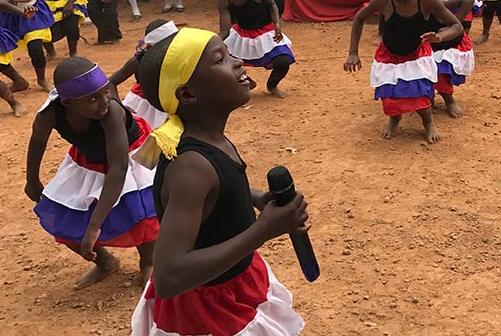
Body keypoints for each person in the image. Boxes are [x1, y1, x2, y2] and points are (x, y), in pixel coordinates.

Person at [129, 27, 307, 336]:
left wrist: (253, 198)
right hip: (207, 310)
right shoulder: (192, 167)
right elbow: (170, 276)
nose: (238, 62)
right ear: (188, 94)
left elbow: (217, 191)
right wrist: (264, 229)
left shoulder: (209, 139)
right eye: (221, 59)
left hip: (234, 283)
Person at [25, 57, 158, 289]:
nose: (104, 101)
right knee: (63, 213)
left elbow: (119, 168)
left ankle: (149, 263)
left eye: (105, 91)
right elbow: (37, 142)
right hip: (90, 158)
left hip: (133, 153)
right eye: (92, 99)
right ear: (67, 103)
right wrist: (32, 180)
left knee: (142, 212)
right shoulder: (50, 114)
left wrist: (94, 226)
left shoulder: (111, 112)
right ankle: (105, 262)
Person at [344, 0, 464, 143]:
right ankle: (394, 117)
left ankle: (428, 121)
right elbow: (359, 19)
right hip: (389, 56)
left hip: (416, 55)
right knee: (390, 96)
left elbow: (456, 26)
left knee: (419, 96)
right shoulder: (383, 0)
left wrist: (440, 37)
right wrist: (353, 52)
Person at [217, 0, 295, 98]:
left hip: (266, 31)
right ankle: (244, 80)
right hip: (242, 34)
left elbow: (272, 4)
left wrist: (277, 25)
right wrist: (210, 42)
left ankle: (272, 85)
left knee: (283, 61)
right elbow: (225, 30)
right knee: (222, 62)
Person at [108, 19, 178, 130]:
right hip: (145, 107)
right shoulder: (140, 60)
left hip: (175, 103)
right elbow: (110, 83)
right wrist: (120, 107)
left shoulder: (182, 54)